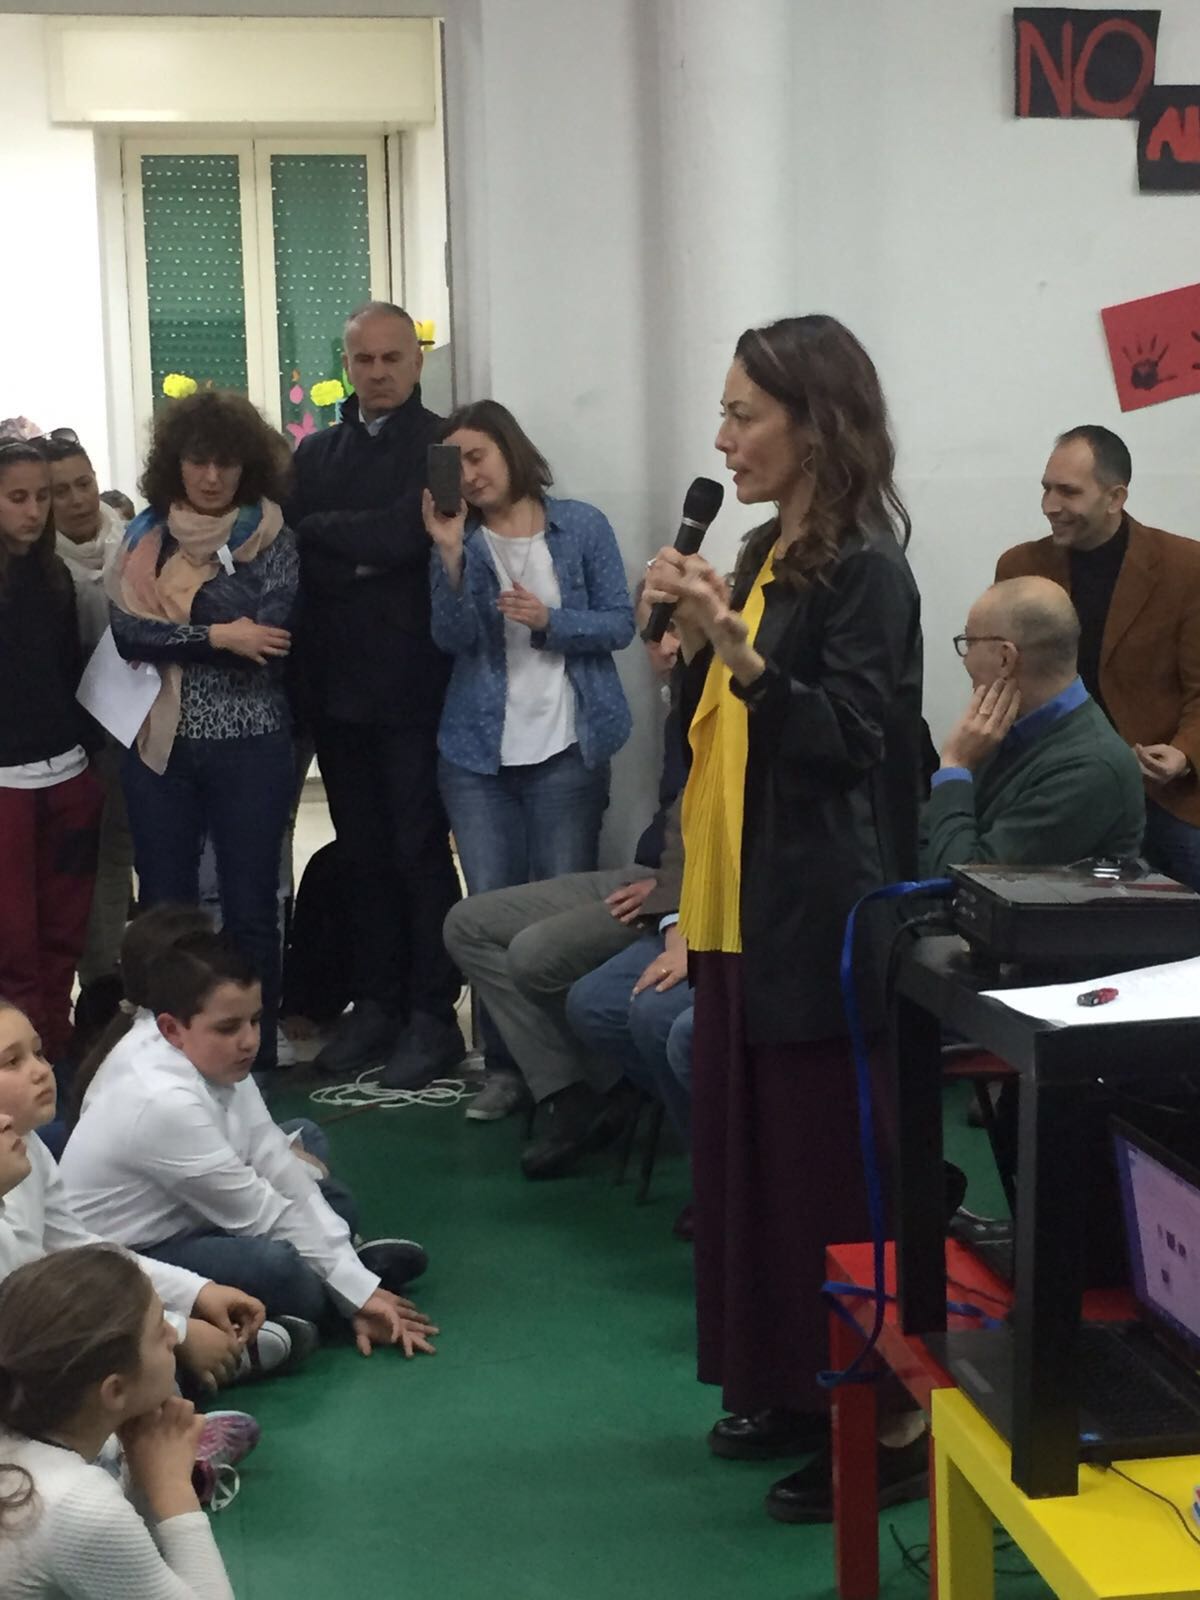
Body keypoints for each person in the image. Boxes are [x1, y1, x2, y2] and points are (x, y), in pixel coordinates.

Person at [643, 314, 925, 1524]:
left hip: (820, 915)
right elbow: (719, 728)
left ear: (815, 425)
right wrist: (688, 645)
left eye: (742, 414)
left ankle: (891, 1418)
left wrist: (738, 652)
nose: (723, 438)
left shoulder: (867, 568)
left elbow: (848, 742)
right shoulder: (763, 549)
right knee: (755, 1172)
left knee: (828, 1181)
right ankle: (792, 1384)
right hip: (736, 905)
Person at [61, 928, 437, 1358]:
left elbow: (274, 1161)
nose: (249, 1041)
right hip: (134, 1253)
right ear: (171, 1029)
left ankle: (328, 1282)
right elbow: (260, 1212)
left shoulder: (208, 1054)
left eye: (255, 1020)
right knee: (280, 1269)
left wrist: (348, 1277)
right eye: (228, 1028)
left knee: (321, 1180)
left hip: (194, 1214)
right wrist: (357, 1290)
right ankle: (316, 1299)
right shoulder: (160, 1100)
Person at [427, 400, 635, 1097]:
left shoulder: (581, 525)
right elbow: (451, 637)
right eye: (455, 463)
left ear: (510, 450)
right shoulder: (458, 538)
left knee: (562, 920)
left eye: (477, 456)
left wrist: (551, 620)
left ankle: (573, 1073)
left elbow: (620, 624)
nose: (469, 474)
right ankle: (506, 1069)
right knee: (487, 910)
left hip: (568, 748)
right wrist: (450, 554)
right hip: (477, 757)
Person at [288, 301, 463, 1087]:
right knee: (359, 853)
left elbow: (408, 535)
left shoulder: (444, 446)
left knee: (418, 850)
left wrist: (342, 537)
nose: (379, 372)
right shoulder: (313, 453)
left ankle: (431, 1012)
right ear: (347, 364)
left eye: (393, 358)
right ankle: (375, 1002)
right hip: (335, 688)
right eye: (365, 359)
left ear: (416, 362)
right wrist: (368, 550)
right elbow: (301, 546)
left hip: (415, 687)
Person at [441, 591, 681, 1149]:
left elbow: (726, 831)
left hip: (673, 892)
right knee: (466, 923)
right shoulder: (682, 703)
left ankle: (599, 1088)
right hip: (644, 874)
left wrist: (670, 890)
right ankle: (572, 1087)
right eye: (654, 634)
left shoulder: (728, 705)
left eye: (674, 630)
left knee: (535, 952)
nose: (663, 648)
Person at [107, 390, 298, 1073]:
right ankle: (171, 1064)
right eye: (197, 461)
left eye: (226, 462)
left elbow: (267, 633)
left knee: (250, 910)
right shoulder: (142, 537)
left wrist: (179, 630)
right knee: (166, 911)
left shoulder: (273, 537)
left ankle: (255, 1061)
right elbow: (128, 633)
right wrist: (218, 634)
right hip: (159, 748)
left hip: (252, 744)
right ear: (175, 465)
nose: (211, 477)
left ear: (248, 467)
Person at [0, 993, 309, 1392]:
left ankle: (176, 1373)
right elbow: (30, 1319)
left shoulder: (27, 1145)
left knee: (308, 1140)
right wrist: (175, 1331)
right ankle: (175, 1382)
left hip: (42, 1328)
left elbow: (78, 1250)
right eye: (12, 1062)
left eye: (39, 1054)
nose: (41, 1071)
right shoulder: (154, 1098)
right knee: (280, 1274)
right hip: (20, 1361)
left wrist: (197, 1292)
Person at [997, 427, 1200, 889]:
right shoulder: (1019, 568)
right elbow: (1003, 678)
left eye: (1068, 492)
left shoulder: (1187, 568)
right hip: (1056, 783)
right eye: (1046, 489)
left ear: (1115, 497)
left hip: (1161, 792)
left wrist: (1184, 754)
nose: (1050, 505)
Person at [0, 1245, 236, 1598]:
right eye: (159, 1329)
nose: (174, 1336)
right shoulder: (77, 1503)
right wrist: (173, 1489)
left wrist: (144, 1474)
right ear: (115, 1390)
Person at [922, 576, 1145, 874]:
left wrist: (955, 766)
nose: (965, 661)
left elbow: (962, 881)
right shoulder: (1004, 728)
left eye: (969, 642)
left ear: (1005, 658)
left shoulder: (1091, 768)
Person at [0, 440, 101, 1064]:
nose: (34, 511)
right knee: (13, 941)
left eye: (42, 497)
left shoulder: (55, 577)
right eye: (18, 498)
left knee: (63, 933)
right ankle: (21, 1059)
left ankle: (56, 1056)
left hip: (67, 777)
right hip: (6, 787)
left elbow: (68, 671)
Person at [41, 433, 134, 988]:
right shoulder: (35, 563)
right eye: (61, 491)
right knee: (76, 862)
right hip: (69, 738)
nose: (77, 500)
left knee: (119, 853)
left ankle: (108, 981)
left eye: (85, 483)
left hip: (135, 727)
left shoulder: (133, 541)